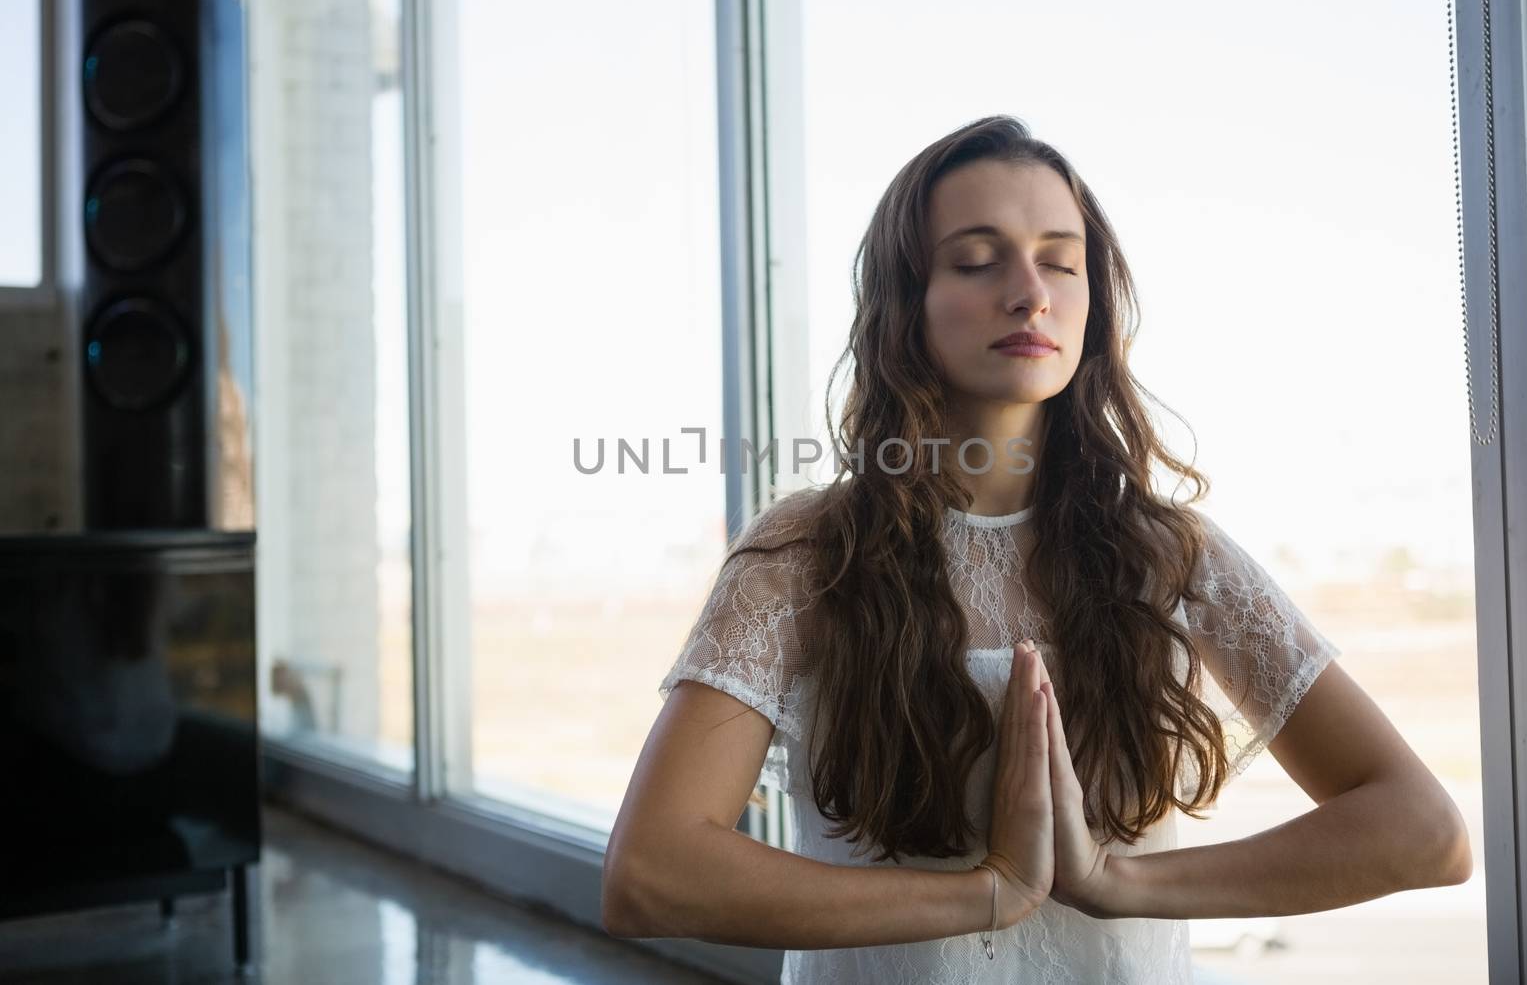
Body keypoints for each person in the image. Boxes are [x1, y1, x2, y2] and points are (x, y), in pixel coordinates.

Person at [601, 114, 1474, 983]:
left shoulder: (1167, 555)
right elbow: (651, 874)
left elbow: (1424, 832)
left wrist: (1113, 882)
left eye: (1060, 259)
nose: (1030, 292)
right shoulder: (806, 554)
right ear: (905, 301)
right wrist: (993, 890)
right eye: (978, 260)